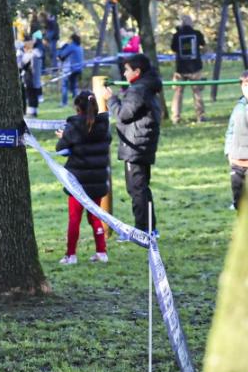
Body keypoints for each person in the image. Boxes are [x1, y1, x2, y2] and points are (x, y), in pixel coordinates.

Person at [98, 53, 162, 234]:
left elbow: (122, 115)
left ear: (137, 71)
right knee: (141, 188)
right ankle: (149, 228)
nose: (124, 74)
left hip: (135, 146)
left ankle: (143, 230)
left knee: (137, 189)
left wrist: (110, 99)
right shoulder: (145, 87)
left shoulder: (138, 90)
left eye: (127, 70)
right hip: (142, 143)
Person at [54, 91, 110, 264]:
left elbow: (59, 148)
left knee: (74, 218)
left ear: (78, 109)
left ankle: (71, 255)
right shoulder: (103, 126)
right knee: (95, 216)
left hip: (77, 182)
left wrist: (63, 137)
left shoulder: (73, 127)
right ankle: (101, 252)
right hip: (98, 179)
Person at [170, 15, 207, 124]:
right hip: (195, 67)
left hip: (180, 69)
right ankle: (200, 116)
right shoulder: (197, 34)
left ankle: (175, 117)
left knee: (178, 93)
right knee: (197, 92)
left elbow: (173, 48)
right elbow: (203, 46)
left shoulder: (177, 35)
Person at [225, 71, 248, 210]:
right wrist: (228, 152)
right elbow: (230, 131)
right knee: (237, 192)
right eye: (245, 85)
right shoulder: (238, 107)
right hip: (237, 159)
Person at [56, 33, 84, 106]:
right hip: (79, 69)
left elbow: (62, 56)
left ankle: (64, 103)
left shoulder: (71, 46)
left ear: (72, 39)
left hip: (71, 69)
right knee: (74, 86)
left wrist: (59, 53)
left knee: (64, 85)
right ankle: (77, 103)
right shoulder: (80, 47)